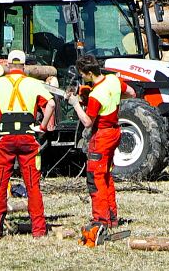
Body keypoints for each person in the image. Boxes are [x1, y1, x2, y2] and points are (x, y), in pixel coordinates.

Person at [0, 50, 55, 239]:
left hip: (5, 139)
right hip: (28, 139)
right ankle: (39, 231)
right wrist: (41, 126)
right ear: (24, 67)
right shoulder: (33, 84)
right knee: (32, 185)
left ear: (7, 65)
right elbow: (51, 105)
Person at [70, 54, 134, 234]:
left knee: (95, 178)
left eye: (83, 74)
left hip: (102, 136)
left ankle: (100, 220)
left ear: (89, 73)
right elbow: (131, 92)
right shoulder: (113, 80)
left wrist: (76, 104)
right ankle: (112, 216)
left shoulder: (96, 95)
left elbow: (88, 122)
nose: (82, 77)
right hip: (115, 131)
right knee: (106, 175)